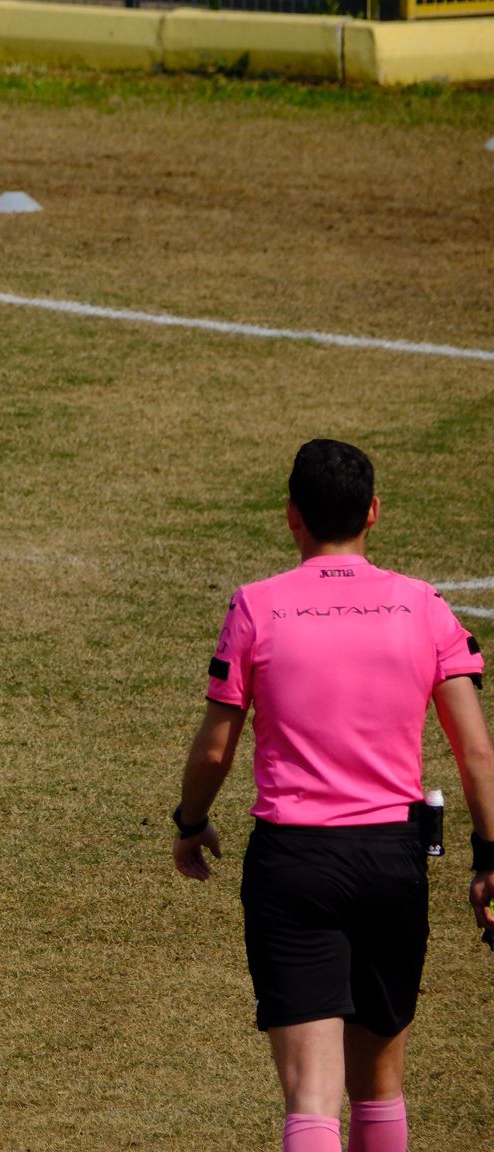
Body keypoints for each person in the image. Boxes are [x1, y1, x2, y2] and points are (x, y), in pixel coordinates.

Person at [170, 439, 492, 1152]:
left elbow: (218, 747)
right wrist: (491, 855)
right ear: (373, 512)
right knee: (379, 1088)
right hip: (391, 862)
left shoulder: (257, 606)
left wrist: (190, 823)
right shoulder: (425, 606)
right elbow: (476, 752)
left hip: (295, 867)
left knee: (311, 1096)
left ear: (292, 516)